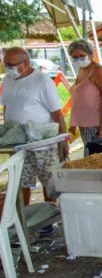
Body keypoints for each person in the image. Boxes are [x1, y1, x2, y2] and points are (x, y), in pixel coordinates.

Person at [1, 47, 68, 205]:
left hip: (42, 143)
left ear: (26, 63)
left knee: (49, 181)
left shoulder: (42, 80)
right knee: (20, 181)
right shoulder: (8, 80)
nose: (8, 68)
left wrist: (63, 140)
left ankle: (50, 218)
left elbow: (57, 113)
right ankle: (24, 216)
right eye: (6, 64)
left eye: (12, 65)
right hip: (17, 142)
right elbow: (7, 108)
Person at [67, 39, 102, 156]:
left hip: (97, 125)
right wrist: (73, 123)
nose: (79, 59)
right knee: (89, 158)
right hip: (83, 126)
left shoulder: (98, 71)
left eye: (82, 56)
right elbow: (79, 99)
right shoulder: (82, 70)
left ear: (91, 55)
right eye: (75, 57)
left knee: (95, 160)